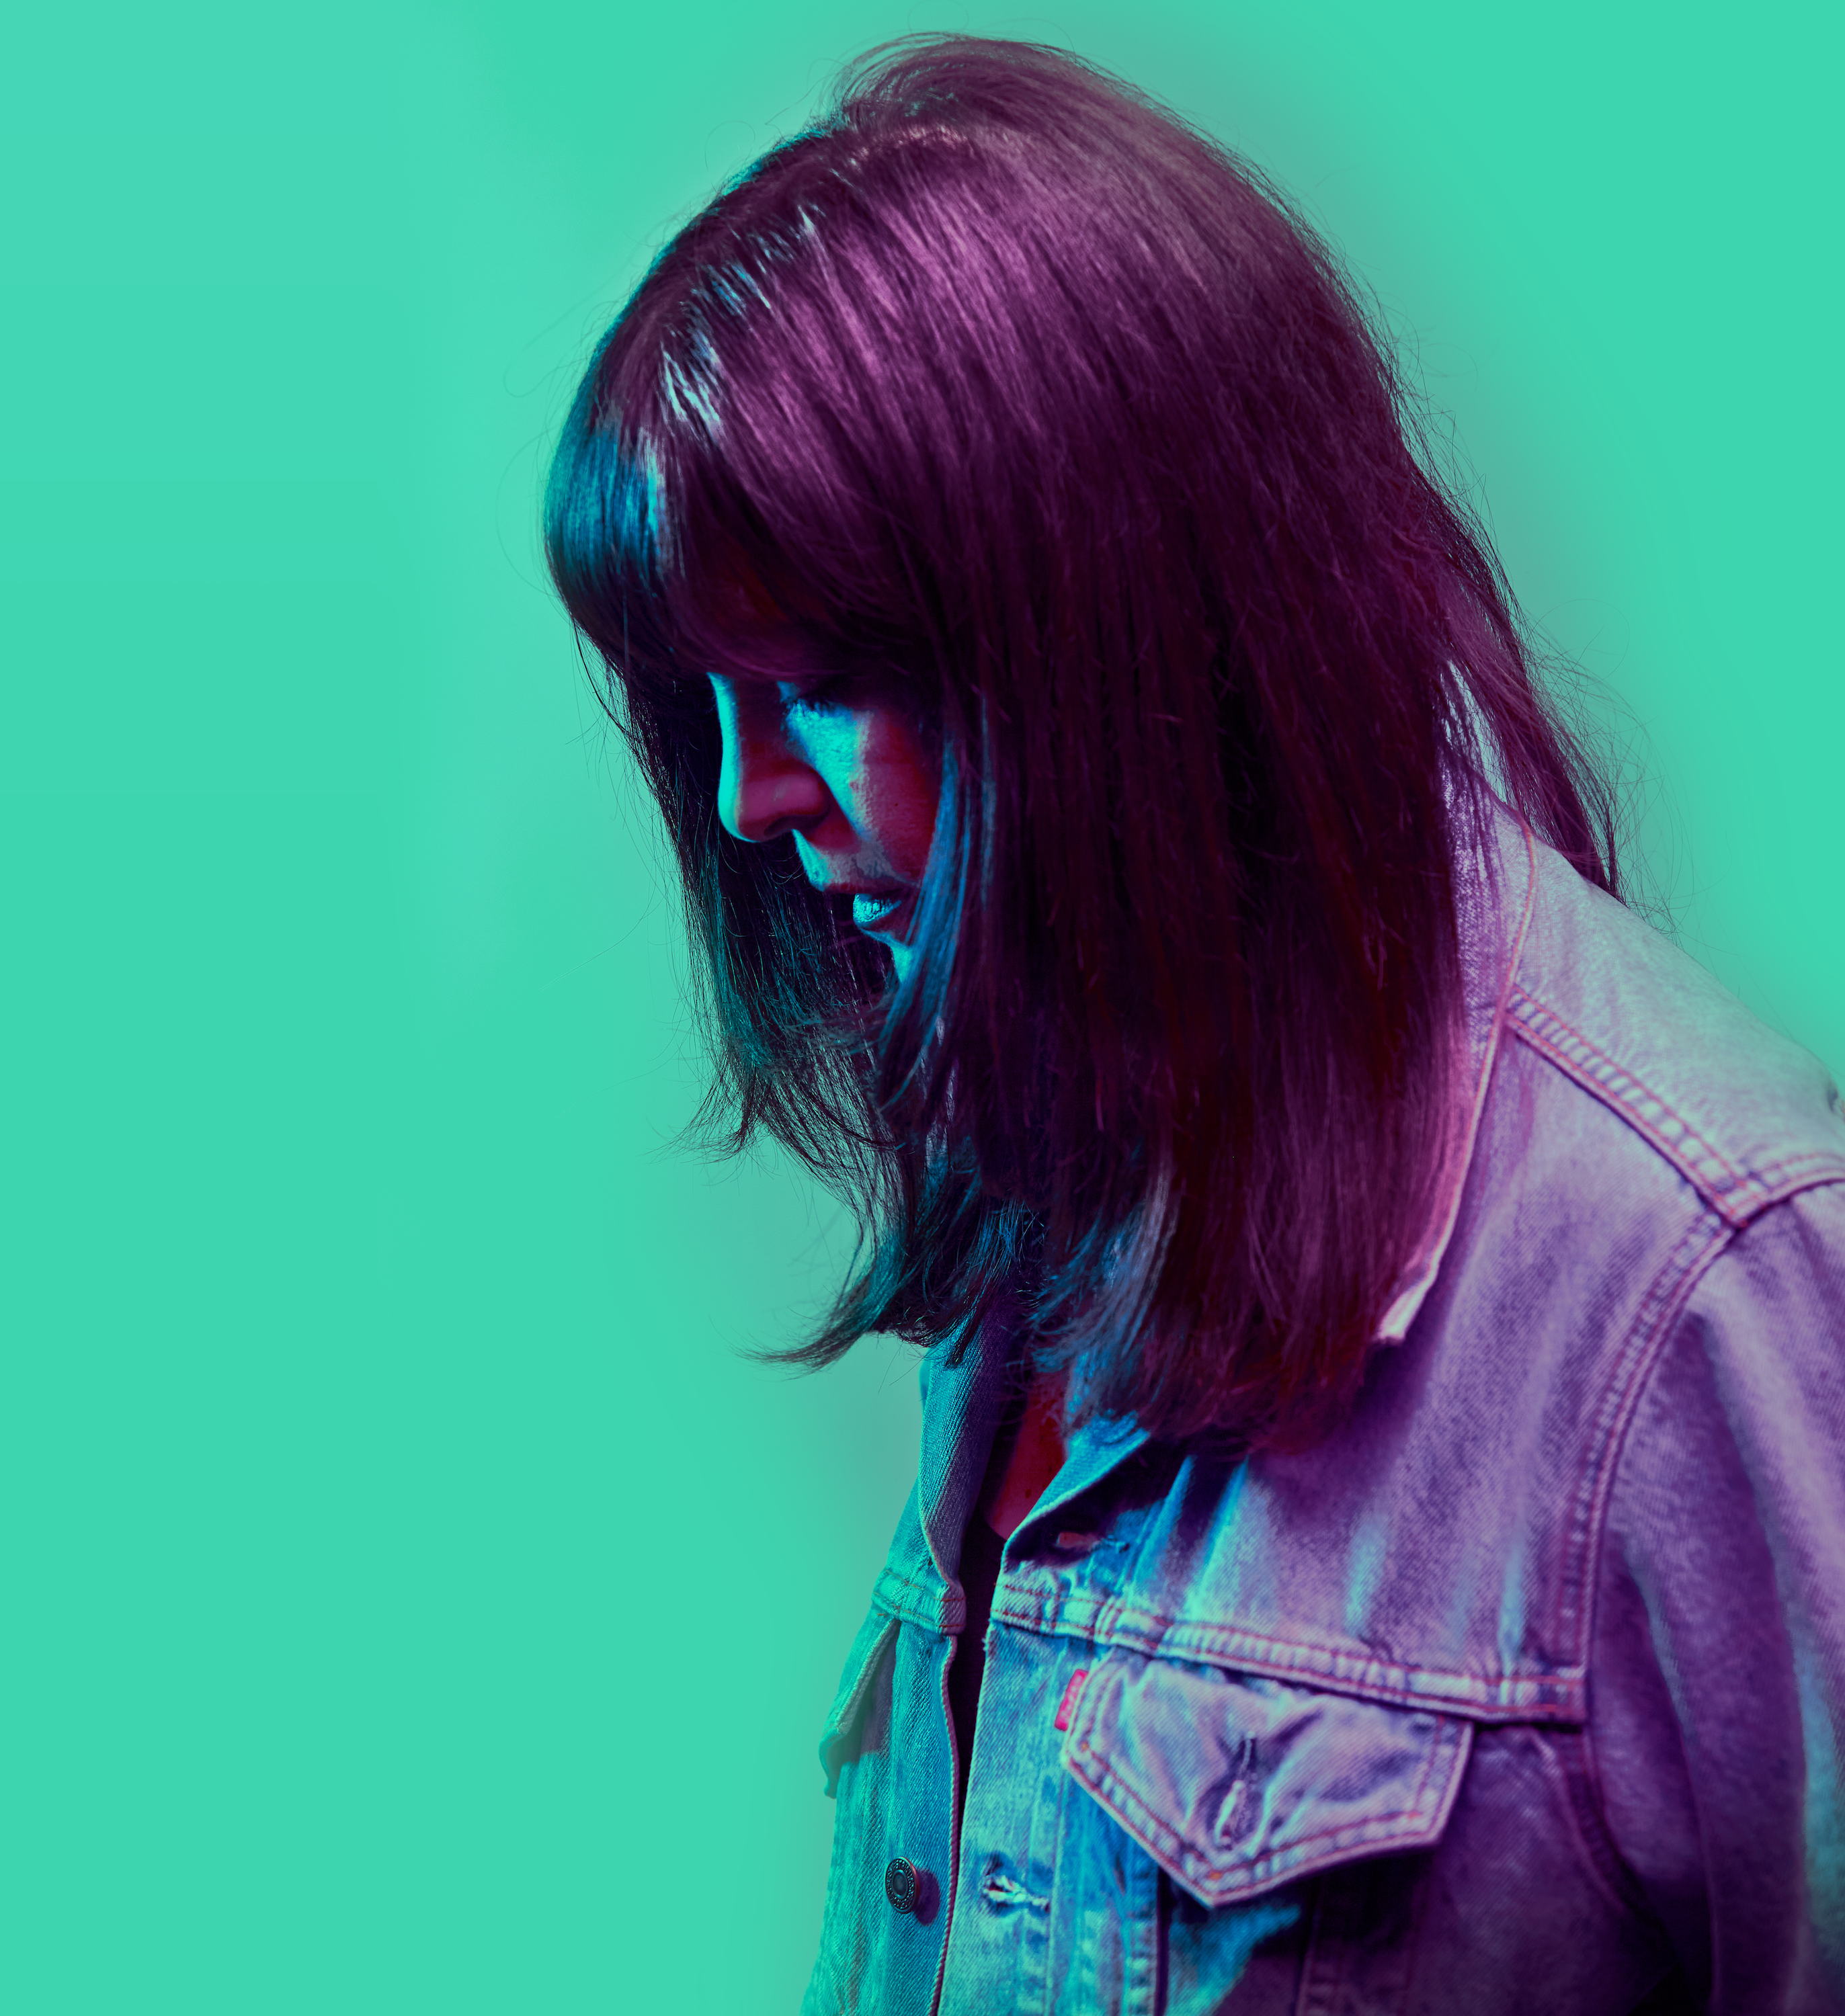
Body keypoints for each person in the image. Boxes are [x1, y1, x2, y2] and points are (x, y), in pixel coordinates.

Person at [542, 35, 1845, 2015]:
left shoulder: (1713, 1286)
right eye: (701, 695)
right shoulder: (1075, 1119)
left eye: (814, 686)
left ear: (1119, 639)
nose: (745, 801)